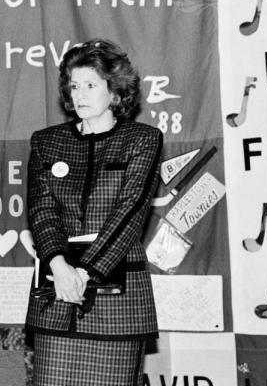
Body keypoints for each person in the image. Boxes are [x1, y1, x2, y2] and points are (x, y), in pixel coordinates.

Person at [25, 39, 162, 385]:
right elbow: (41, 210)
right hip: (57, 292)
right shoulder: (47, 141)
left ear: (114, 92)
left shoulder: (142, 139)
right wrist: (59, 265)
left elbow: (130, 212)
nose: (79, 95)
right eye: (74, 85)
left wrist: (83, 274)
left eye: (90, 85)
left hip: (115, 297)